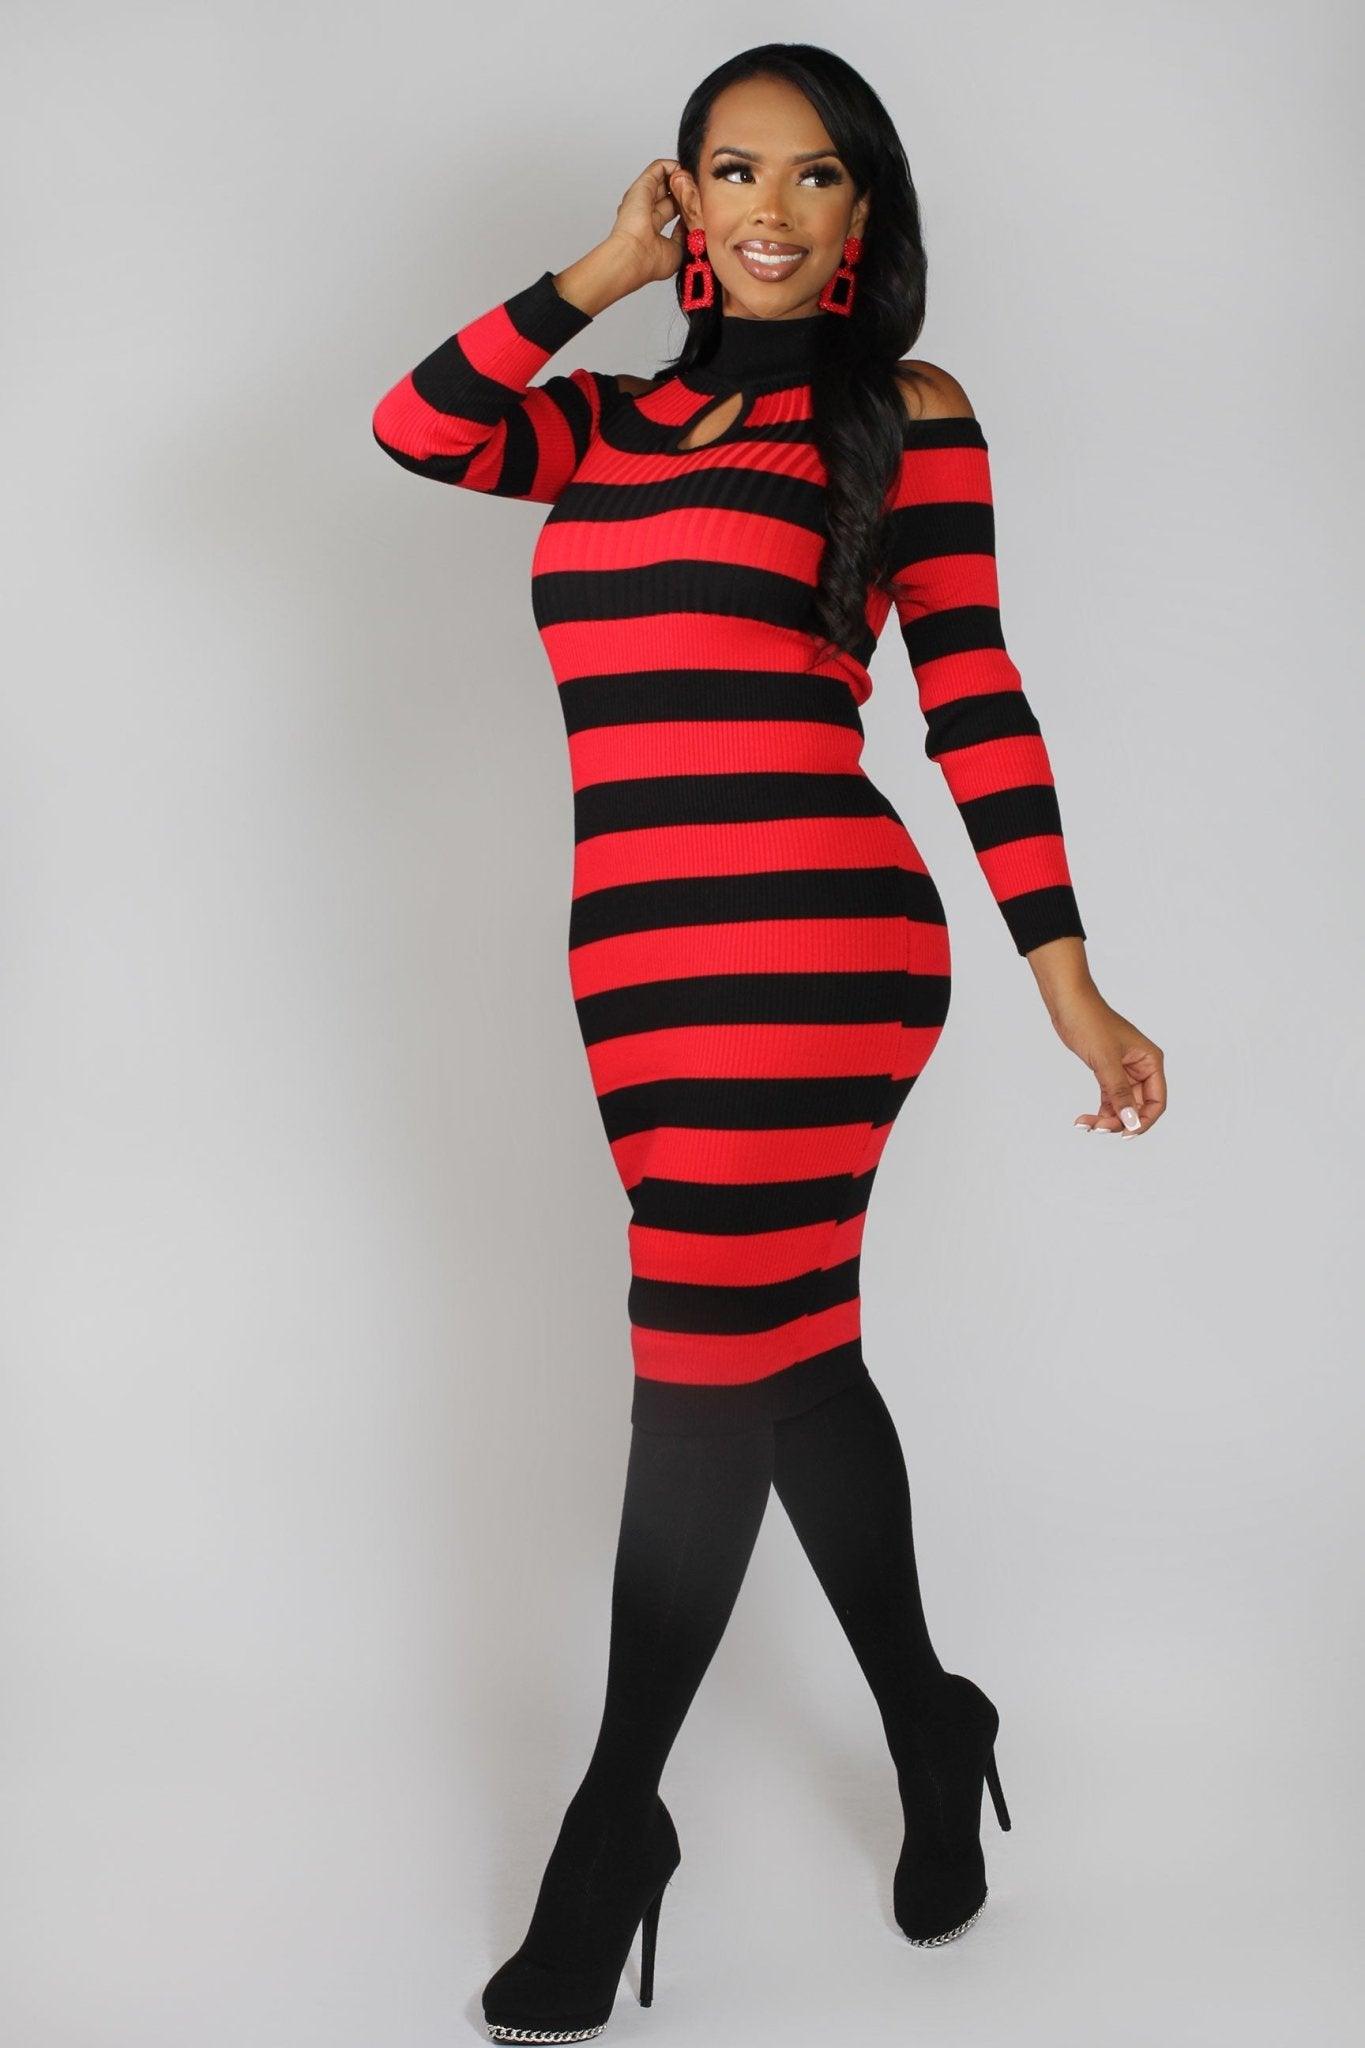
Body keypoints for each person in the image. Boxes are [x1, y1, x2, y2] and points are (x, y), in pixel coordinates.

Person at [372, 41, 1166, 2044]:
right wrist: (591, 272)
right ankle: (931, 1719)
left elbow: (973, 696)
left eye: (813, 176)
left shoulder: (901, 414)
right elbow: (415, 426)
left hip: (816, 944)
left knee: (693, 1374)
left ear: (861, 212)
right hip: (636, 963)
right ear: (685, 201)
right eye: (729, 172)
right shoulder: (605, 424)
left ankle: (610, 1825)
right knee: (783, 1354)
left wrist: (1065, 977)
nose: (768, 209)